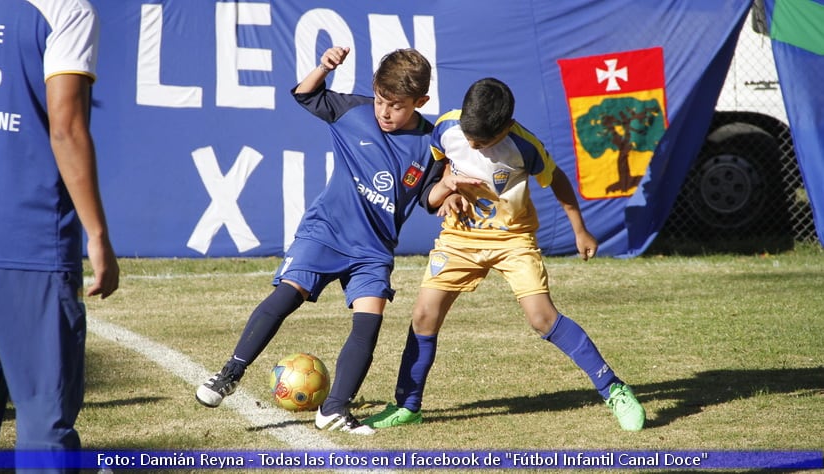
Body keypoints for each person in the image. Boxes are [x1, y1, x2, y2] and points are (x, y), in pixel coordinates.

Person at [195, 47, 471, 435]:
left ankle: (335, 409)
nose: (384, 111)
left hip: (373, 249)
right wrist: (324, 68)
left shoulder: (429, 143)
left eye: (397, 105)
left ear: (421, 102)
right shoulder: (353, 111)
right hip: (325, 233)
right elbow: (305, 95)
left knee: (369, 320)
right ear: (372, 90)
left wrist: (448, 190)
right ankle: (229, 373)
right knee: (286, 295)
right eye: (380, 99)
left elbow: (427, 197)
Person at [364, 77, 646, 432]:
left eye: (480, 141)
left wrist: (579, 229)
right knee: (423, 316)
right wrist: (447, 192)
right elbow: (443, 165)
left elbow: (556, 178)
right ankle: (408, 406)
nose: (471, 144)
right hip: (460, 237)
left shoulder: (524, 146)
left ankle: (614, 389)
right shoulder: (448, 127)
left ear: (505, 128)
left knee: (542, 318)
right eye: (468, 136)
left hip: (512, 239)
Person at [0, 0, 120, 469]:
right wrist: (97, 234)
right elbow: (66, 129)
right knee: (45, 416)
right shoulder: (66, 9)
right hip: (27, 238)